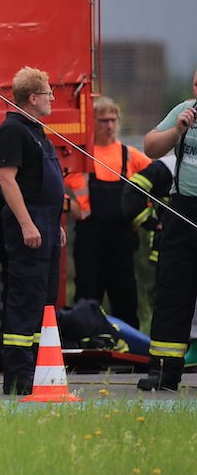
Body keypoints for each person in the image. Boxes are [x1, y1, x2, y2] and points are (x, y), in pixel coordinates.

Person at [0, 67, 66, 396]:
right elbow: (7, 179)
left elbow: (42, 182)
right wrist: (26, 223)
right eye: (49, 93)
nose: (53, 98)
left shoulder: (37, 131)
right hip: (31, 225)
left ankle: (38, 372)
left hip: (47, 224)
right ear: (33, 98)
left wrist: (56, 223)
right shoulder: (13, 130)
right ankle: (18, 379)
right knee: (25, 300)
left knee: (43, 300)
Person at [64, 96, 152, 329]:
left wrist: (147, 214)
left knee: (126, 296)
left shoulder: (129, 155)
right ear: (92, 122)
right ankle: (87, 340)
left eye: (113, 120)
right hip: (89, 238)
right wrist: (69, 206)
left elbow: (159, 178)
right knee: (87, 296)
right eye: (103, 120)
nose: (110, 125)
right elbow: (51, 185)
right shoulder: (82, 156)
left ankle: (129, 344)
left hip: (123, 238)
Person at [139, 68, 197, 390]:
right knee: (172, 291)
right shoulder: (184, 111)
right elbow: (150, 147)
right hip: (182, 211)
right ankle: (163, 370)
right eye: (196, 84)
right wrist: (177, 129)